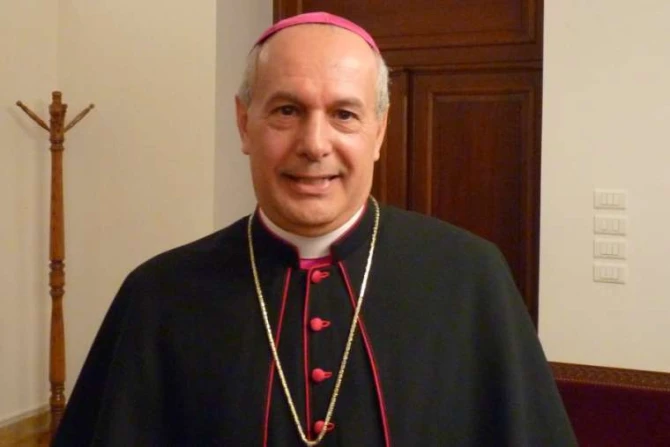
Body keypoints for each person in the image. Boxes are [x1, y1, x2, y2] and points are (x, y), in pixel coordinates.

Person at [53, 12, 576, 447]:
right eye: (287, 110)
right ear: (244, 123)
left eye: (344, 114)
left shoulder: (470, 279)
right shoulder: (159, 296)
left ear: (379, 131)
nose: (315, 145)